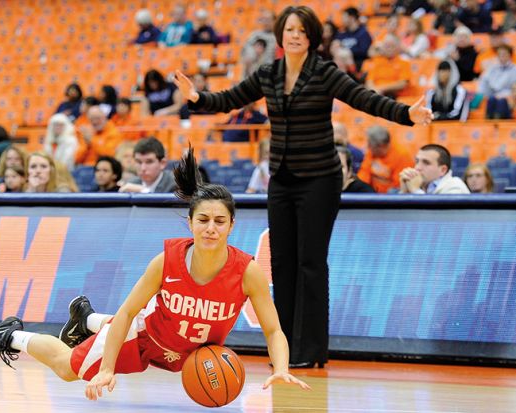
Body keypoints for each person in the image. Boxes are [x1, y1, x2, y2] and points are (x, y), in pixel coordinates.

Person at [173, 5, 432, 368]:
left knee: (310, 263)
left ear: (311, 37)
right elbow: (229, 99)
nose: (294, 35)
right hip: (281, 179)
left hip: (320, 180)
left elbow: (365, 99)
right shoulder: (268, 73)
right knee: (281, 264)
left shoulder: (324, 72)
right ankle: (286, 349)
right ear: (281, 35)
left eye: (301, 30)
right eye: (289, 29)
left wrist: (407, 114)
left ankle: (310, 351)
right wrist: (197, 97)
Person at [0, 147, 310, 399]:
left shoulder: (246, 271)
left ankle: (87, 320)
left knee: (138, 330)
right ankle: (10, 336)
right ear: (190, 222)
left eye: (220, 221)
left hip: (185, 352)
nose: (211, 229)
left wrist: (281, 368)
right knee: (69, 369)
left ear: (232, 225)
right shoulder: (166, 262)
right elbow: (129, 313)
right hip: (143, 338)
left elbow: (273, 329)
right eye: (203, 220)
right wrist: (107, 369)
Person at [358, 126, 414, 193]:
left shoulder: (402, 156)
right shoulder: (371, 152)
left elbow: (398, 185)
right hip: (373, 194)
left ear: (381, 146)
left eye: (370, 146)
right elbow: (364, 174)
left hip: (391, 198)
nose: (368, 147)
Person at [399, 144, 470, 194]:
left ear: (443, 170)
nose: (418, 167)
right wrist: (404, 193)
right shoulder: (419, 185)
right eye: (417, 161)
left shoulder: (455, 187)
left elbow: (436, 215)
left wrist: (415, 190)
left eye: (426, 163)